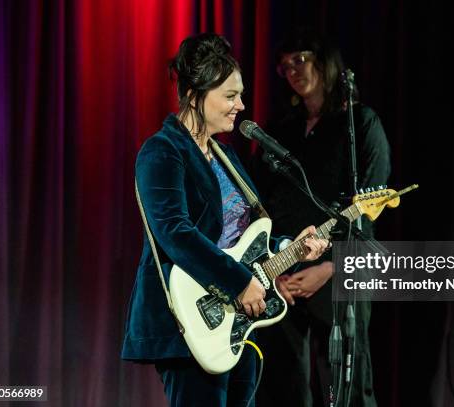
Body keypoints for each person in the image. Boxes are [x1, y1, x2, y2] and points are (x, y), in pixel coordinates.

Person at [121, 33, 329, 407]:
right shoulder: (163, 151)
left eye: (241, 95)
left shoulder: (227, 157)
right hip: (190, 319)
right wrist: (237, 281)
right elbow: (174, 232)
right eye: (230, 96)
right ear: (194, 95)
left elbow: (248, 237)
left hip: (235, 325)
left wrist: (292, 247)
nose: (241, 105)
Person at [252, 28, 391, 406]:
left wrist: (330, 267)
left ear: (324, 62)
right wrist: (275, 267)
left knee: (346, 382)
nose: (292, 71)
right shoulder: (282, 131)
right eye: (284, 66)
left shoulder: (359, 124)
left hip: (339, 272)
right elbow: (262, 204)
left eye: (300, 59)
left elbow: (368, 211)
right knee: (286, 382)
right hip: (285, 274)